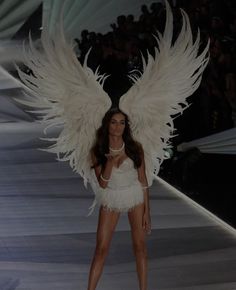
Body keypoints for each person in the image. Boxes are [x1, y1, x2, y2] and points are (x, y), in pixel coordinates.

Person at [87, 107, 151, 290]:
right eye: (114, 122)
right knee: (101, 249)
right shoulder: (97, 151)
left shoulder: (135, 148)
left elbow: (143, 180)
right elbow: (103, 184)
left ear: (126, 126)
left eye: (122, 123)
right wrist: (109, 162)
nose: (117, 126)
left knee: (140, 247)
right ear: (107, 124)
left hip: (134, 195)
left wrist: (147, 212)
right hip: (111, 196)